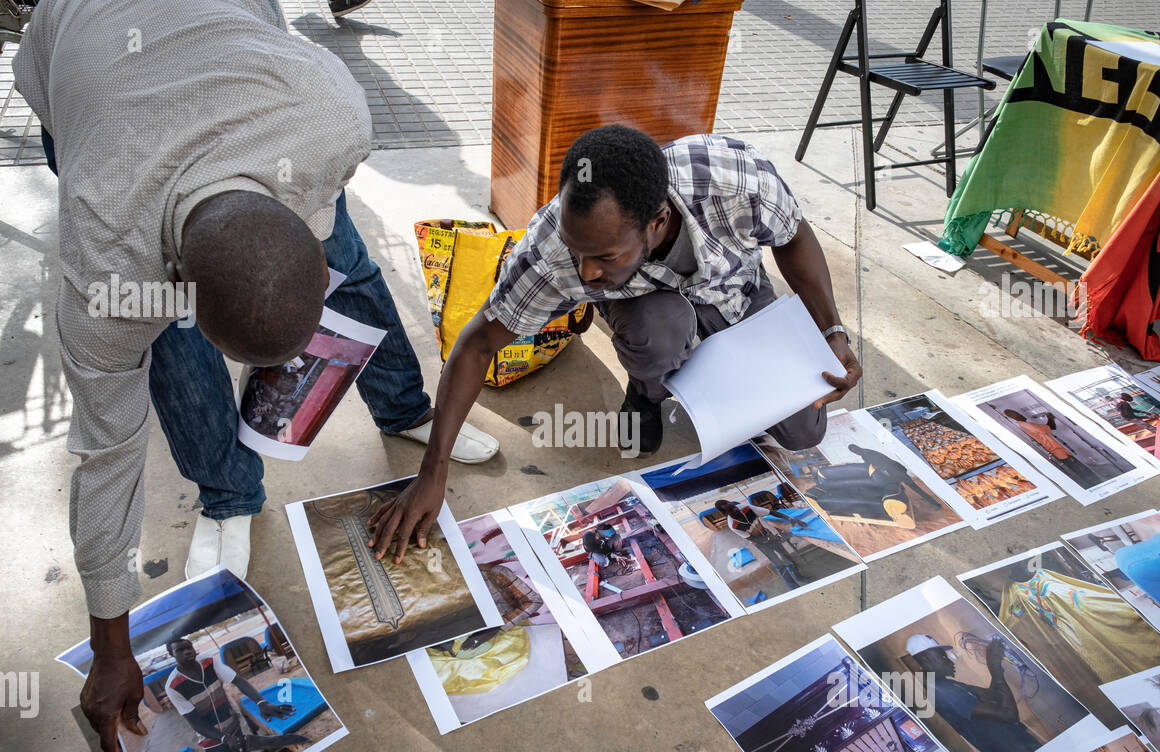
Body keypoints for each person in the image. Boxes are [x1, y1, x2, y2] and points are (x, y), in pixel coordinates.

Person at [13, 0, 499, 752]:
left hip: (250, 64)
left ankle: (405, 406)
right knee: (168, 349)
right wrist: (111, 645)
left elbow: (320, 250)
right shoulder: (106, 264)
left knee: (354, 269)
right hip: (81, 55)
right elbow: (106, 459)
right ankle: (228, 492)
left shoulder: (331, 114)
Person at [369, 125, 862, 561]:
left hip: (736, 295)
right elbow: (476, 345)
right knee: (658, 329)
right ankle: (647, 393)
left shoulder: (733, 178)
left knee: (803, 433)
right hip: (650, 313)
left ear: (657, 221)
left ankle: (708, 370)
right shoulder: (552, 253)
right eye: (578, 252)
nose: (585, 273)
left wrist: (831, 330)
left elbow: (793, 236)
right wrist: (432, 471)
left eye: (604, 255)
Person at [163, 637, 301, 752]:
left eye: (188, 647)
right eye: (179, 650)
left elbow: (238, 681)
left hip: (234, 729)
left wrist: (262, 703)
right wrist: (223, 738)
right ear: (171, 655)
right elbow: (195, 723)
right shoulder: (173, 686)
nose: (187, 651)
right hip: (212, 742)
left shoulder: (208, 662)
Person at [905, 632, 1041, 752]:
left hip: (1020, 747)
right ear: (926, 659)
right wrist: (994, 667)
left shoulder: (947, 685)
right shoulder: (942, 692)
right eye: (941, 655)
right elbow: (1009, 714)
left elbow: (992, 694)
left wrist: (994, 663)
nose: (948, 659)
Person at [716, 499, 807, 589]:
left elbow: (771, 512)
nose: (735, 510)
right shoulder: (733, 525)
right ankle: (793, 586)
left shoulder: (746, 508)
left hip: (767, 535)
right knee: (778, 564)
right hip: (759, 543)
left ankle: (798, 576)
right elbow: (751, 538)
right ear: (725, 514)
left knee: (786, 556)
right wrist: (768, 539)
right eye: (731, 510)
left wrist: (791, 519)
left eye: (734, 507)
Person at [1001, 408, 1102, 488]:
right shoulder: (1025, 424)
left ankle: (1093, 482)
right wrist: (1050, 418)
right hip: (1056, 449)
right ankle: (1095, 483)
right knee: (1079, 468)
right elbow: (1049, 428)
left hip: (1056, 448)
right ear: (1013, 416)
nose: (1021, 415)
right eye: (1017, 414)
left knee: (1078, 466)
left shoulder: (1024, 425)